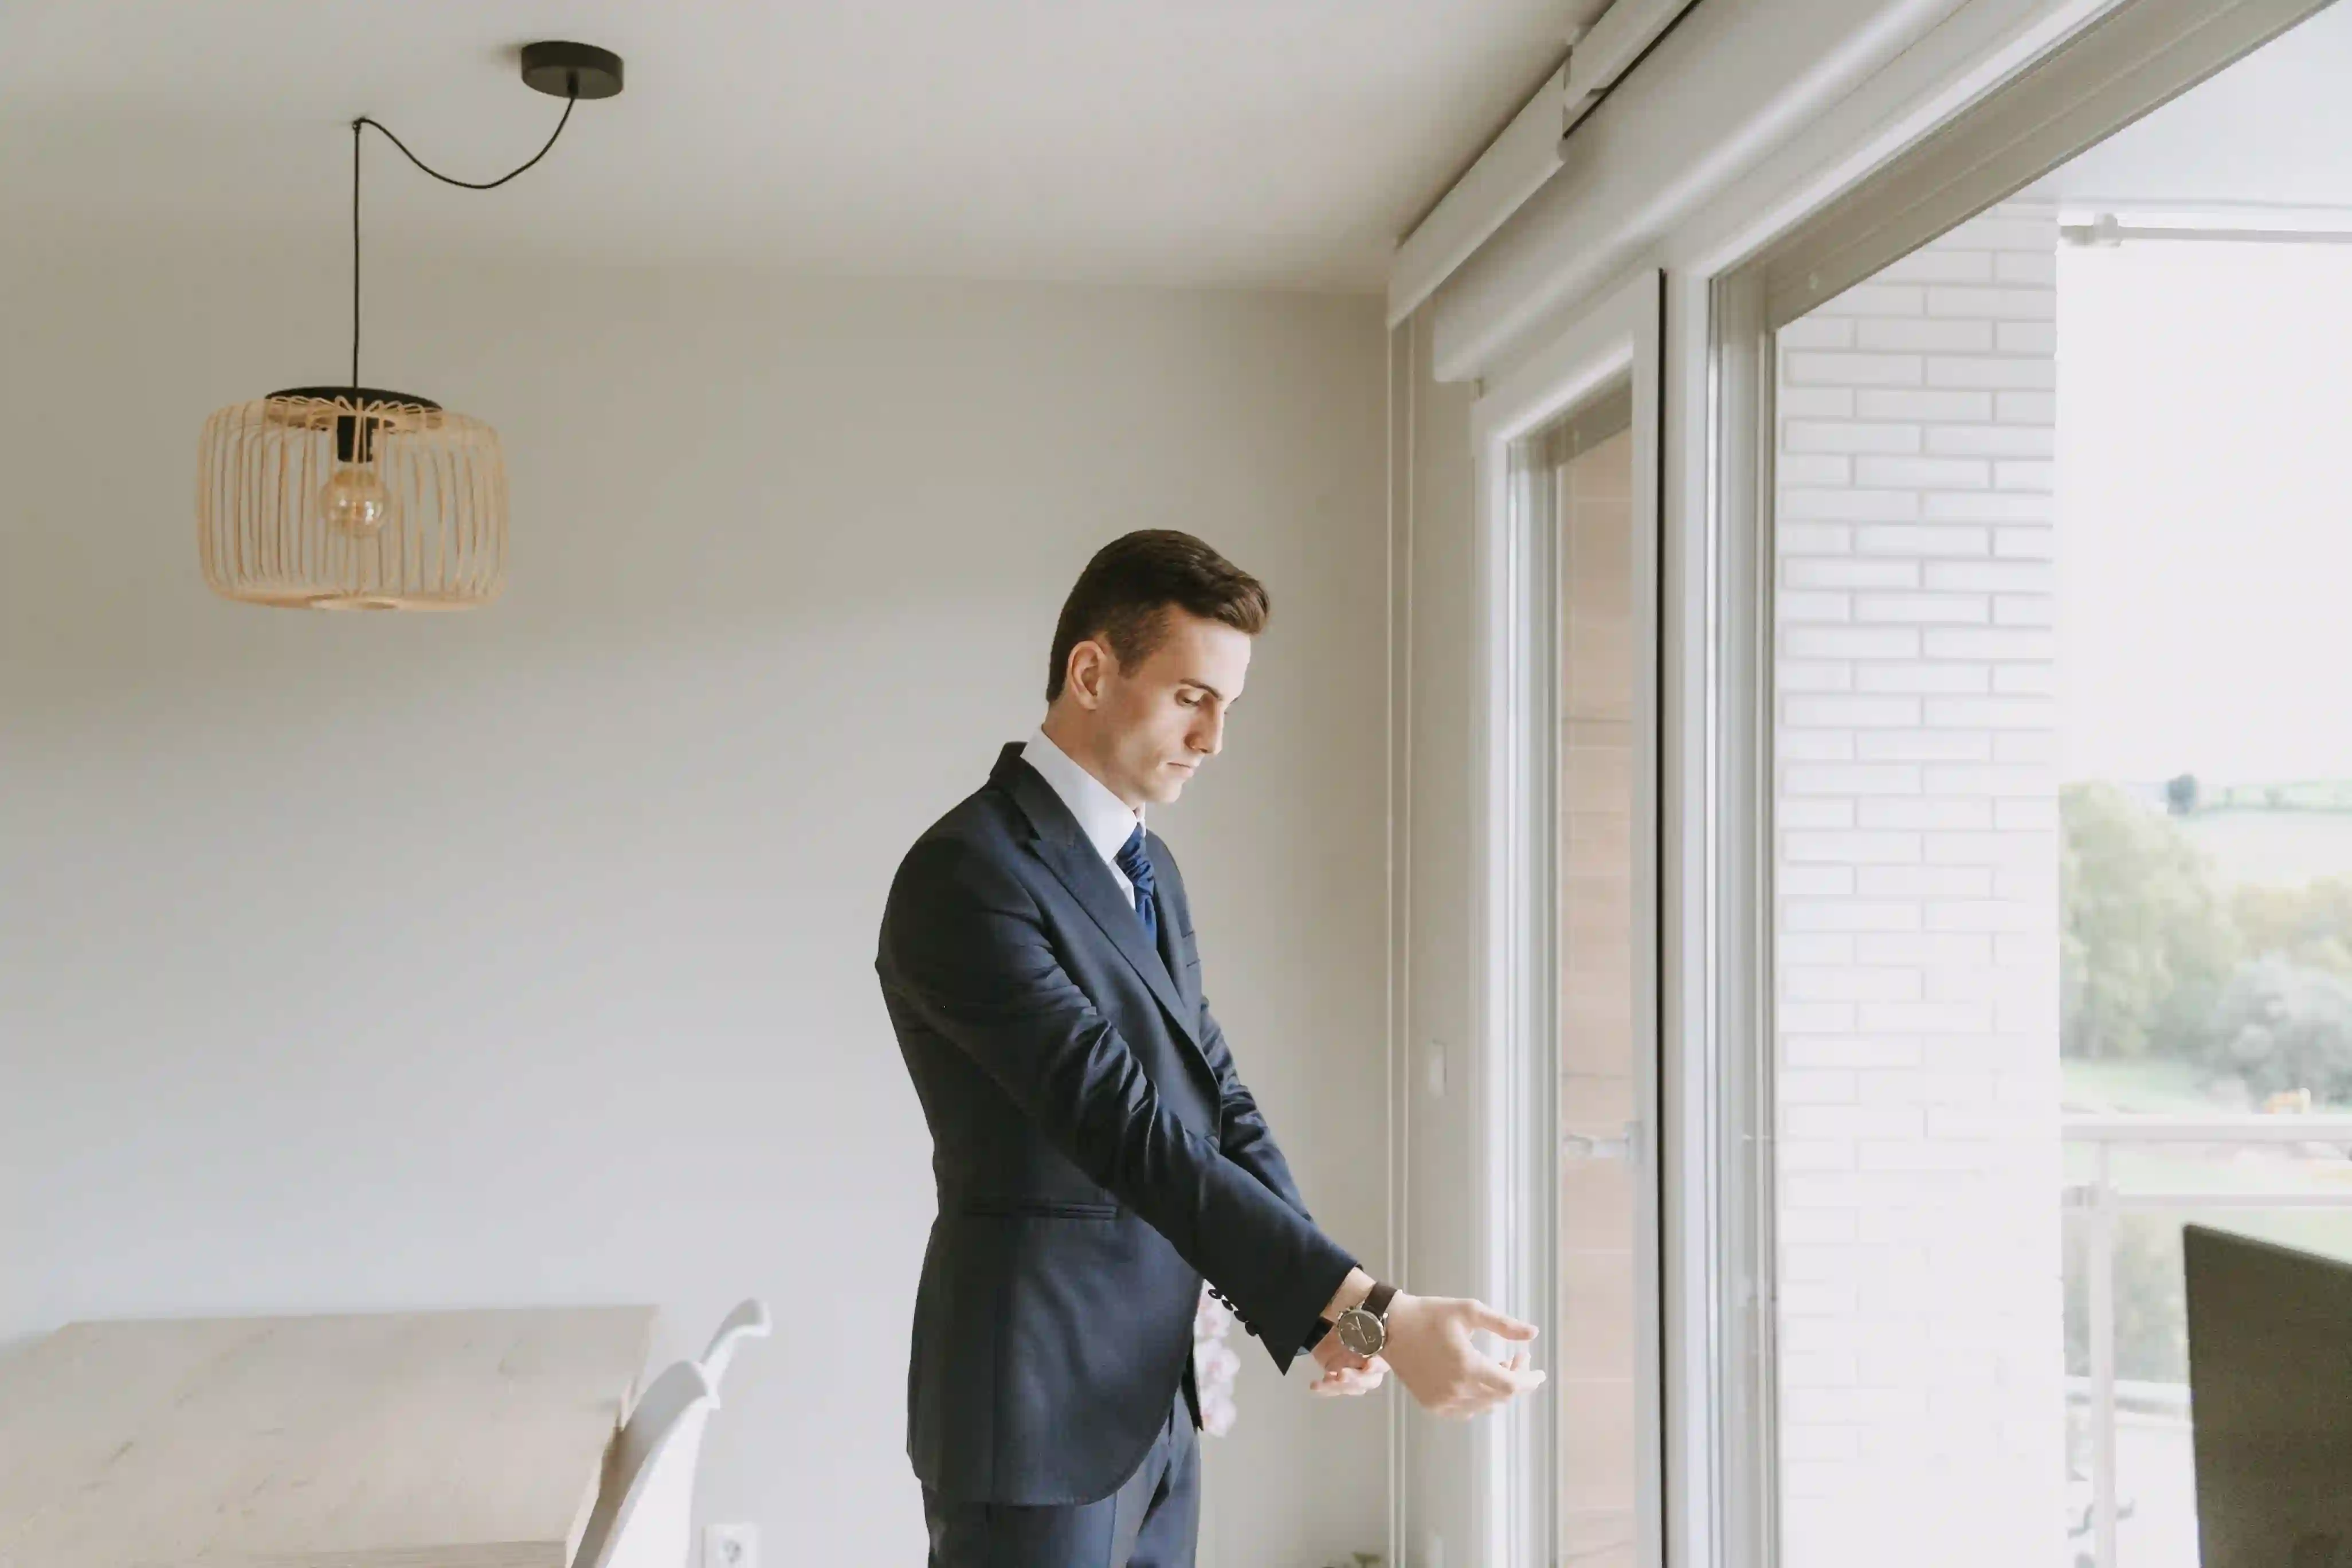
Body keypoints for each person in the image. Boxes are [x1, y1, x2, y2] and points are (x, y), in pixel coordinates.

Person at [876, 530, 1545, 1567]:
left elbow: (1214, 1103)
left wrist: (1345, 1318)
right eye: (1193, 696)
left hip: (1157, 1404)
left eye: (1228, 705)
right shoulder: (966, 877)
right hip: (1036, 1415)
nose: (1214, 737)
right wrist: (1381, 1312)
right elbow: (1129, 1133)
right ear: (1092, 672)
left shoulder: (1153, 869)